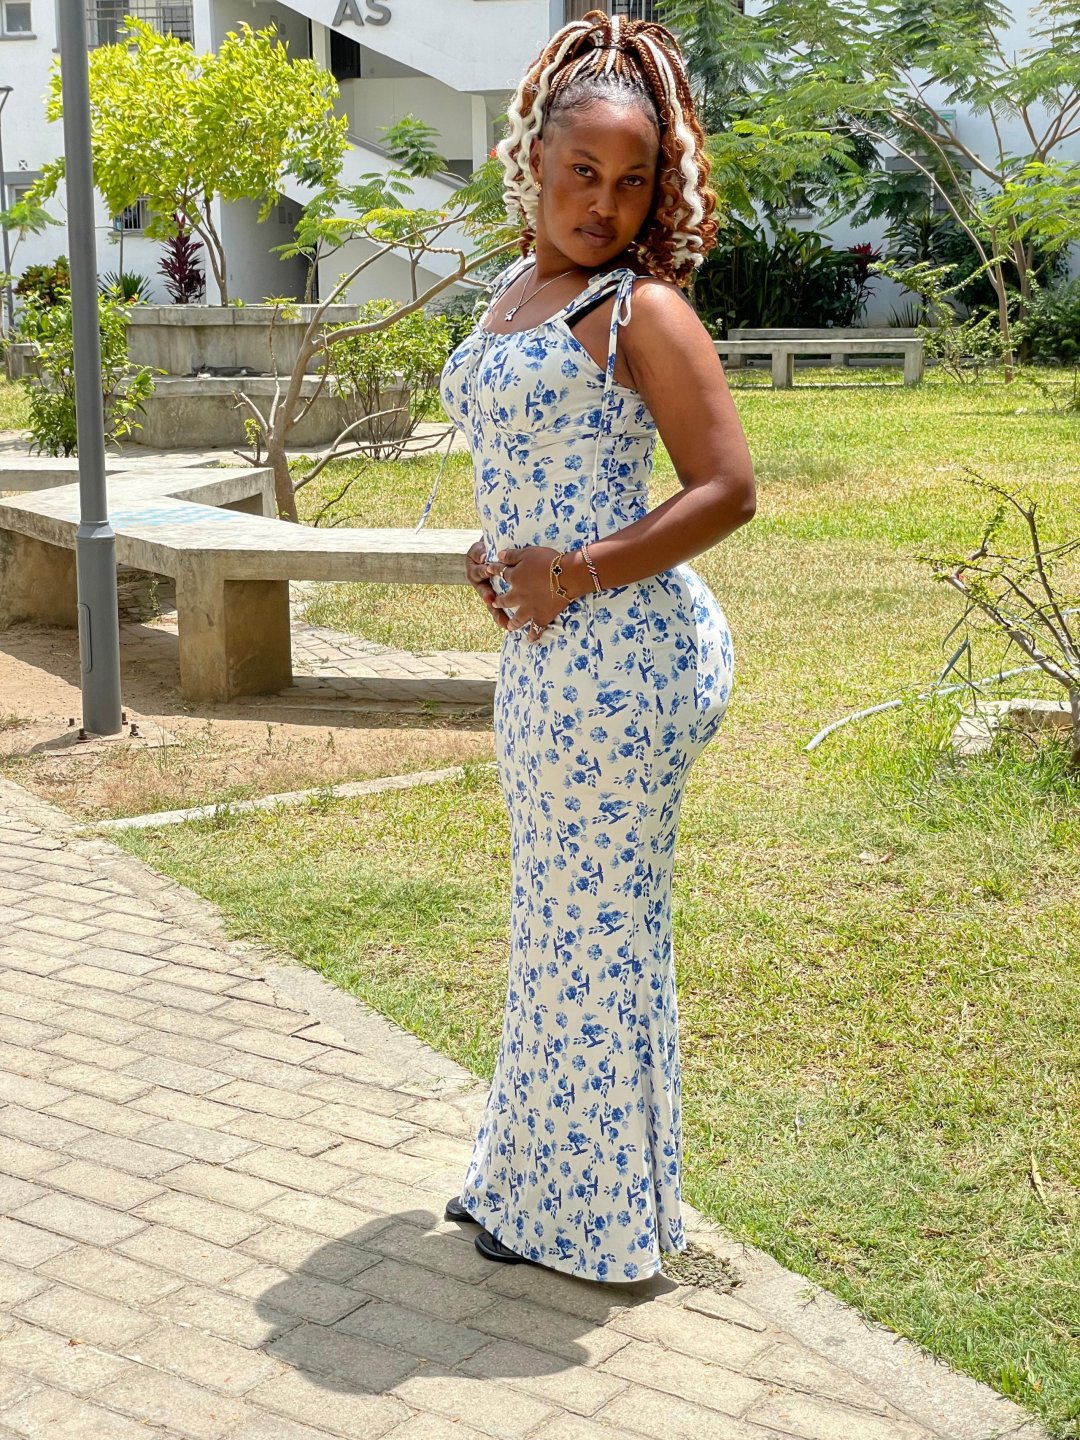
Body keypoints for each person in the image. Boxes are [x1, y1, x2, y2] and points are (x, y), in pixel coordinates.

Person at [438, 8, 756, 1282]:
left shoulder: (641, 311)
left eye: (633, 181)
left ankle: (599, 1220)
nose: (606, 203)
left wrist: (567, 571)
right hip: (549, 657)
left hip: (627, 661)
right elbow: (531, 462)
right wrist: (500, 556)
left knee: (596, 930)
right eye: (584, 172)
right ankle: (529, 1182)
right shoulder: (518, 295)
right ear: (534, 162)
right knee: (555, 921)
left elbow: (728, 489)